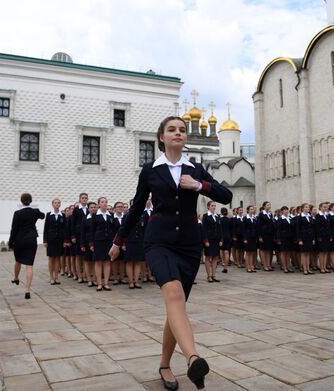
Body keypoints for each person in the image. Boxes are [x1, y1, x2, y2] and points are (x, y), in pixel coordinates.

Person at [109, 116, 232, 390]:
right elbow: (137, 207)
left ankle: (165, 365)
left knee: (176, 307)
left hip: (189, 245)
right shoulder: (151, 169)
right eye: (171, 130)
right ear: (161, 137)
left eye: (182, 130)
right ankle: (193, 358)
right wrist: (119, 240)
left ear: (185, 137)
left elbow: (226, 196)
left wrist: (200, 186)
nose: (178, 133)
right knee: (174, 294)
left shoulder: (195, 168)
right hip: (159, 242)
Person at [9, 193, 45, 299]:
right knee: (29, 265)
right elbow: (43, 216)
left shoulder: (17, 213)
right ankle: (27, 290)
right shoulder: (35, 211)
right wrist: (37, 213)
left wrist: (11, 243)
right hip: (31, 240)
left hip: (19, 240)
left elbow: (14, 229)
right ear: (31, 201)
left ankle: (16, 277)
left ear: (21, 201)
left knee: (18, 261)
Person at [90, 197, 113, 292]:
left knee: (107, 261)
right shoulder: (95, 215)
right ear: (98, 204)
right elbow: (92, 230)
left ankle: (106, 283)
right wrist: (91, 243)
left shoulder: (110, 215)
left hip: (108, 241)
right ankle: (99, 283)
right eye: (102, 202)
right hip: (98, 241)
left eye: (106, 202)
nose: (104, 203)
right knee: (98, 261)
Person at [124, 198, 149, 289]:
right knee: (130, 262)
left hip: (139, 241)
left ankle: (136, 281)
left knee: (138, 261)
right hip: (129, 241)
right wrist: (123, 243)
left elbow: (145, 228)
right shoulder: (127, 215)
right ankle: (131, 281)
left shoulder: (143, 215)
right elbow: (123, 230)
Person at [43, 198, 65, 285]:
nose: (57, 204)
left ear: (60, 205)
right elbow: (46, 228)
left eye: (58, 203)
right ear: (52, 204)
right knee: (51, 258)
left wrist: (64, 240)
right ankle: (51, 277)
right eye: (55, 203)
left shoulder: (62, 215)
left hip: (60, 239)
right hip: (51, 239)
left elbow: (64, 229)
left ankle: (56, 277)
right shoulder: (49, 215)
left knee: (58, 258)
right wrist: (45, 240)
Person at [202, 201, 223, 282]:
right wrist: (206, 240)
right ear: (208, 207)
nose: (214, 207)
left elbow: (220, 229)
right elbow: (204, 229)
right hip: (209, 240)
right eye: (212, 206)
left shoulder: (217, 216)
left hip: (216, 240)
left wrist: (221, 239)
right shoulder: (206, 216)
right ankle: (209, 276)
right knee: (208, 257)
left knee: (215, 257)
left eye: (214, 206)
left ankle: (214, 275)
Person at [70, 193, 89, 282]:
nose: (84, 199)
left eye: (86, 198)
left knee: (85, 256)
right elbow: (72, 223)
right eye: (83, 198)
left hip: (87, 235)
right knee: (78, 256)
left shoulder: (89, 209)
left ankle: (85, 275)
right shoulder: (76, 210)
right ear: (79, 199)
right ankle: (79, 276)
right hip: (78, 235)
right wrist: (73, 236)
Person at [81, 202, 97, 287]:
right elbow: (82, 232)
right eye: (91, 207)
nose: (93, 209)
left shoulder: (98, 217)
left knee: (95, 261)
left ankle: (94, 278)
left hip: (96, 242)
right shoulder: (85, 219)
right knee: (87, 261)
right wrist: (82, 244)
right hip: (87, 242)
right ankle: (89, 279)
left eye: (95, 207)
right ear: (88, 209)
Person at [296, 203, 314, 275]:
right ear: (302, 209)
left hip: (309, 237)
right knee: (303, 254)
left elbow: (312, 228)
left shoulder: (309, 216)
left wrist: (313, 238)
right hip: (303, 237)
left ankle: (308, 268)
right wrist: (299, 239)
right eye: (306, 207)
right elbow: (298, 229)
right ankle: (304, 269)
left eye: (308, 207)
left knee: (308, 253)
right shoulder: (299, 217)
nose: (307, 208)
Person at [256, 201, 275, 272]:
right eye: (267, 205)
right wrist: (260, 236)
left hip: (270, 234)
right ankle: (264, 265)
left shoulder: (270, 214)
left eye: (269, 205)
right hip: (263, 234)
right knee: (263, 250)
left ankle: (268, 264)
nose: (269, 206)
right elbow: (258, 226)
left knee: (268, 250)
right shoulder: (261, 214)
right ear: (264, 206)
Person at [275, 206, 294, 273]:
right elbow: (278, 230)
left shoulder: (290, 218)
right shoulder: (280, 219)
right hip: (283, 238)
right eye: (284, 210)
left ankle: (288, 266)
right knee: (283, 252)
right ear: (282, 211)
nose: (286, 211)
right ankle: (284, 267)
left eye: (287, 210)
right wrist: (278, 239)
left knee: (288, 252)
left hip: (289, 238)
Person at [243, 205, 258, 273]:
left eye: (253, 209)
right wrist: (245, 238)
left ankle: (252, 265)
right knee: (248, 252)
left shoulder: (254, 218)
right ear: (248, 210)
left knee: (252, 252)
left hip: (253, 237)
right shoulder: (245, 218)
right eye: (251, 209)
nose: (252, 210)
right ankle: (248, 266)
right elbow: (244, 229)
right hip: (248, 237)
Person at [219, 207, 232, 273]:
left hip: (221, 236)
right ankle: (225, 267)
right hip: (228, 236)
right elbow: (231, 229)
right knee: (226, 252)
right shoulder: (229, 220)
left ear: (221, 212)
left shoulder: (219, 220)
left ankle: (223, 262)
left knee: (221, 250)